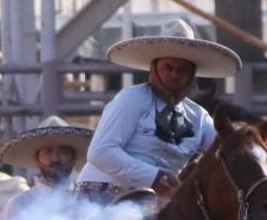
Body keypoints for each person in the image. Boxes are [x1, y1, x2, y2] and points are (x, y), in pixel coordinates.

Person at [77, 19, 241, 203]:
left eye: (182, 70)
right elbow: (100, 151)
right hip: (101, 198)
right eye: (168, 67)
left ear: (192, 74)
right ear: (153, 69)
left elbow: (233, 147)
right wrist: (153, 177)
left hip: (155, 205)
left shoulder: (199, 117)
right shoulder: (132, 98)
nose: (174, 75)